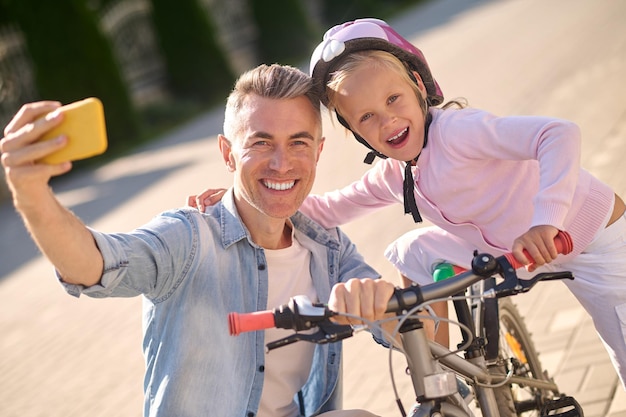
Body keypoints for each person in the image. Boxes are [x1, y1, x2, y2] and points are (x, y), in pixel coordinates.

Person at [192, 18, 626, 387]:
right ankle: (439, 370)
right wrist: (242, 199)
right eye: (366, 118)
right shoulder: (397, 173)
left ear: (418, 85)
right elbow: (324, 211)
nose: (387, 121)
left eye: (393, 99)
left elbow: (558, 133)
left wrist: (545, 220)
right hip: (512, 248)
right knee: (412, 251)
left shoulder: (458, 131)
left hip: (589, 240)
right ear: (354, 131)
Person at [0, 64, 396, 417]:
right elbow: (95, 264)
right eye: (261, 142)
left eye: (298, 142)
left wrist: (383, 303)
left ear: (318, 151)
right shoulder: (187, 239)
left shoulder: (326, 248)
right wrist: (31, 194)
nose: (281, 162)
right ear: (227, 154)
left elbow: (421, 329)